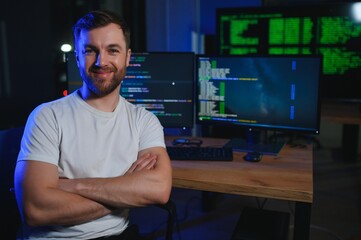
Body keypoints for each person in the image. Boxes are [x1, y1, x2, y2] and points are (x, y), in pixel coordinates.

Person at [14, 10, 172, 240]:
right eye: (90, 51)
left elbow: (158, 190)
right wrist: (124, 191)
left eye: (113, 50)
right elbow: (35, 210)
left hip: (118, 235)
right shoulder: (47, 117)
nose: (101, 61)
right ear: (77, 57)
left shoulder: (144, 121)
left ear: (127, 57)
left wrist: (73, 186)